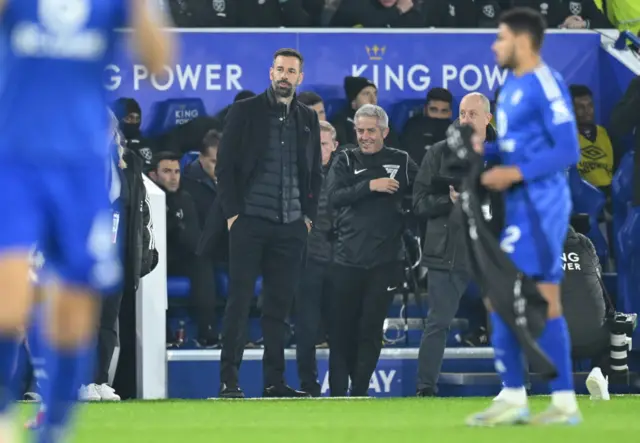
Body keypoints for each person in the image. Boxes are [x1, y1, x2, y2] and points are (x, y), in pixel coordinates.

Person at [0, 2, 173, 443]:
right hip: (17, 160)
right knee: (9, 298)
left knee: (75, 312)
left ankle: (54, 428)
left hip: (81, 168)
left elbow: (157, 64)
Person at [466, 7, 582, 426]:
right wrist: (485, 153)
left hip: (541, 205)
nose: (495, 45)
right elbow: (519, 148)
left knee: (499, 293)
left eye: (500, 38)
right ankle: (562, 400)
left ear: (522, 41)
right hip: (521, 204)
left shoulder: (545, 83)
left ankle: (515, 394)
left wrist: (513, 172)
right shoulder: (510, 87)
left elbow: (569, 150)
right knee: (545, 302)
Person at [215, 48, 322, 399]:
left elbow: (315, 174)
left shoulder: (307, 118)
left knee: (278, 309)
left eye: (291, 71)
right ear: (270, 72)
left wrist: (307, 219)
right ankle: (229, 380)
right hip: (249, 222)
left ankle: (274, 383)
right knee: (239, 303)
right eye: (279, 69)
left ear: (300, 77)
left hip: (291, 226)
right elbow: (225, 166)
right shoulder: (245, 111)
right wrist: (233, 215)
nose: (284, 76)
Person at [325, 104, 418, 397]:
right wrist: (371, 185)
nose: (364, 136)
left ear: (385, 132)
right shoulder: (345, 159)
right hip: (346, 259)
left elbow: (422, 192)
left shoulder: (401, 161)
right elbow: (333, 197)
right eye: (360, 130)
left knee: (370, 329)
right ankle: (338, 393)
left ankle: (360, 391)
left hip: (386, 261)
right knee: (341, 331)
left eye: (370, 131)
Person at [412, 92, 493, 397]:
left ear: (488, 118)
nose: (466, 119)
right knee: (438, 322)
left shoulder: (503, 154)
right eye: (462, 114)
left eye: (473, 114)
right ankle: (425, 389)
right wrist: (449, 201)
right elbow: (418, 203)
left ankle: (518, 387)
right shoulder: (437, 153)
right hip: (447, 250)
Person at [294, 120, 338, 396]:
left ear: (334, 146)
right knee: (306, 330)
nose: (318, 149)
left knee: (341, 328)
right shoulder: (296, 178)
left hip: (340, 262)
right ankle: (308, 386)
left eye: (323, 144)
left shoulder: (347, 175)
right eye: (314, 144)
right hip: (306, 262)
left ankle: (342, 385)